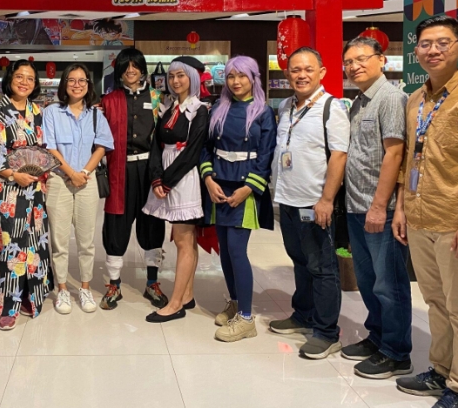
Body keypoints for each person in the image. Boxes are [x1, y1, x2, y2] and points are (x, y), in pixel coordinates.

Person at [393, 16, 458, 408]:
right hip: (420, 216)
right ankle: (440, 369)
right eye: (425, 44)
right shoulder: (415, 100)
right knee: (436, 302)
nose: (433, 50)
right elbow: (409, 158)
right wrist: (401, 207)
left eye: (443, 43)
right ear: (416, 50)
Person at [269, 47, 349, 359]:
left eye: (308, 69)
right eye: (295, 70)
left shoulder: (332, 107)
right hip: (287, 199)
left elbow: (339, 156)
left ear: (322, 72)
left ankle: (327, 332)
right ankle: (303, 314)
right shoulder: (286, 105)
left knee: (322, 266)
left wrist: (326, 199)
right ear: (287, 73)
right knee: (299, 259)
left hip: (314, 202)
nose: (301, 75)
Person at [340, 37, 412, 378]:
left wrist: (380, 206)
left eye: (361, 59)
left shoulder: (391, 98)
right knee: (368, 281)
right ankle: (378, 337)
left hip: (380, 210)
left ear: (381, 60)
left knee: (389, 283)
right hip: (356, 207)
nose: (354, 66)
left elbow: (395, 154)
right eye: (348, 62)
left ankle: (397, 352)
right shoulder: (359, 102)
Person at [200, 56, 277, 342]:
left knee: (236, 250)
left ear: (253, 78)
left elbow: (266, 155)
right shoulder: (217, 109)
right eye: (231, 76)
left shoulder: (263, 112)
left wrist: (249, 188)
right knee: (225, 251)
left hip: (245, 188)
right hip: (219, 186)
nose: (236, 82)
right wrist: (208, 179)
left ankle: (246, 318)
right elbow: (206, 148)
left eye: (242, 76)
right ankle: (234, 302)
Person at [0, 60, 52, 331]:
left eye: (30, 78)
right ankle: (10, 305)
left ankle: (32, 297)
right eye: (19, 76)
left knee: (36, 242)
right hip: (7, 189)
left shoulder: (38, 112)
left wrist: (42, 172)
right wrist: (12, 173)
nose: (24, 82)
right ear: (9, 79)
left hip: (36, 188)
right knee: (12, 245)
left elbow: (46, 150)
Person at [99, 48, 168, 311]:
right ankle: (114, 284)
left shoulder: (157, 98)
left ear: (142, 69)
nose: (131, 70)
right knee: (116, 223)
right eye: (126, 66)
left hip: (150, 170)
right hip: (120, 170)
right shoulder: (109, 100)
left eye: (135, 66)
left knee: (152, 223)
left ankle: (152, 282)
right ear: (119, 70)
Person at [142, 57, 209, 323]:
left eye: (181, 75)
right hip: (166, 175)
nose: (175, 80)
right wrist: (156, 178)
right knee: (185, 240)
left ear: (192, 77)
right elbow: (156, 145)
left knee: (183, 239)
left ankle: (176, 303)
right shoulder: (169, 107)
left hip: (184, 177)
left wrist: (167, 181)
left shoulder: (199, 109)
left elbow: (193, 151)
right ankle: (187, 294)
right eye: (171, 76)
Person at [44, 63, 114, 314]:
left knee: (86, 240)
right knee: (59, 240)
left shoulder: (96, 115)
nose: (77, 85)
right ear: (64, 84)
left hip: (87, 181)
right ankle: (62, 289)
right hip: (59, 181)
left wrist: (83, 173)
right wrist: (71, 174)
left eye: (82, 80)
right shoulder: (51, 112)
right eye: (71, 80)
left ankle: (85, 287)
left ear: (88, 85)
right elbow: (49, 147)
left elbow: (102, 147)